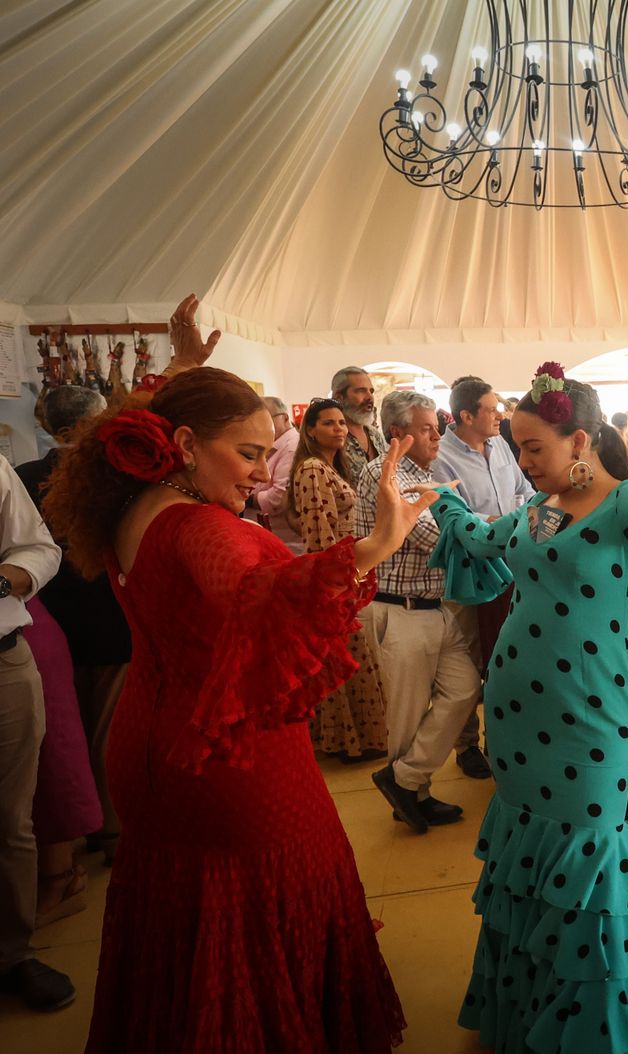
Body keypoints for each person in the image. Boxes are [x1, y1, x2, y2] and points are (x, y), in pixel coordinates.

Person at [44, 346, 424, 1048]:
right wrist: (377, 542)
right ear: (185, 445)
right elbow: (260, 596)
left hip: (151, 751)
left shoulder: (137, 507)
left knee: (182, 929)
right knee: (264, 916)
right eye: (248, 453)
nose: (259, 472)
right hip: (230, 763)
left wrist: (182, 366)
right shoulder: (200, 528)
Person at [426, 363, 628, 1054]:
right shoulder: (541, 508)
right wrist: (441, 503)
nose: (522, 460)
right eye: (516, 446)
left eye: (533, 447)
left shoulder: (627, 502)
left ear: (579, 441)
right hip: (514, 716)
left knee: (588, 860)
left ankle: (605, 1027)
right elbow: (487, 545)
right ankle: (530, 1007)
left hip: (587, 719)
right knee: (530, 857)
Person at [17, 386, 130, 870]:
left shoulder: (23, 475)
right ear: (72, 430)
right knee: (109, 729)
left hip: (48, 618)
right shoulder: (111, 473)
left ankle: (77, 837)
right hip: (108, 614)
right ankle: (112, 833)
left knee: (70, 733)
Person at [359, 390, 481, 833]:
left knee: (465, 688)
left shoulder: (423, 472)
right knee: (407, 717)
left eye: (437, 426)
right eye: (428, 429)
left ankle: (405, 781)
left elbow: (456, 523)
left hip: (432, 606)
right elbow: (440, 539)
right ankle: (414, 796)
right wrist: (494, 529)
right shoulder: (384, 474)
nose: (437, 436)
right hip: (402, 610)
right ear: (398, 433)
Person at [434, 375, 535, 780]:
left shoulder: (500, 447)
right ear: (465, 415)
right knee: (469, 659)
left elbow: (525, 491)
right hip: (471, 567)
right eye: (492, 409)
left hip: (511, 562)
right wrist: (492, 520)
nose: (500, 415)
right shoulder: (442, 456)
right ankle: (467, 746)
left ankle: (503, 738)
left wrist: (517, 515)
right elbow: (450, 512)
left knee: (501, 654)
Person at [289, 399, 389, 763]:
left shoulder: (332, 466)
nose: (340, 429)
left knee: (353, 655)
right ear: (310, 430)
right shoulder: (312, 469)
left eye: (342, 423)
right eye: (329, 423)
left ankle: (360, 740)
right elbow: (318, 531)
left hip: (349, 569)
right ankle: (349, 742)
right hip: (335, 575)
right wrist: (337, 582)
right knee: (348, 655)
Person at [0, 453, 65, 1012]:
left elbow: (38, 548)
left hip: (2, 662)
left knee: (10, 820)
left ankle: (11, 954)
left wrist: (2, 578)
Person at [245, 396, 302, 553]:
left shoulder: (291, 447)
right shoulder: (274, 444)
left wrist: (247, 498)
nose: (260, 424)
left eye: (267, 418)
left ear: (285, 418)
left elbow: (278, 498)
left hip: (286, 542)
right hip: (269, 536)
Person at [331, 365, 387, 483]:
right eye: (361, 391)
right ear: (339, 397)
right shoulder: (331, 437)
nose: (369, 397)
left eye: (371, 391)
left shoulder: (375, 435)